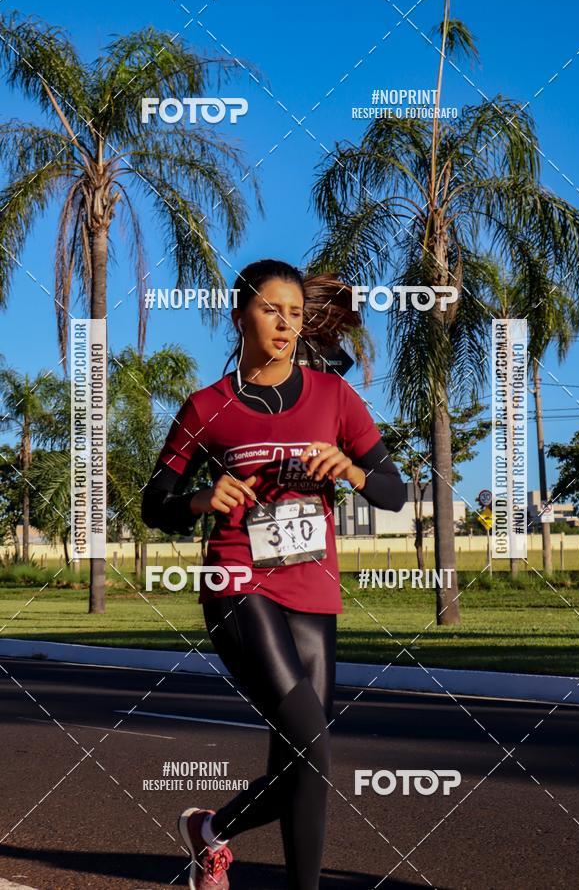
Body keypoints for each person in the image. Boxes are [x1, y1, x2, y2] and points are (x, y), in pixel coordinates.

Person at [142, 259, 405, 890]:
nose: (285, 322)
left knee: (300, 757)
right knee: (314, 744)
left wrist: (351, 468)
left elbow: (393, 492)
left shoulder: (336, 397)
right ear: (241, 319)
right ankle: (212, 834)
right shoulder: (209, 407)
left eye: (294, 311)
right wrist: (204, 500)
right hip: (238, 581)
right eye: (270, 309)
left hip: (312, 586)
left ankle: (211, 833)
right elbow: (156, 503)